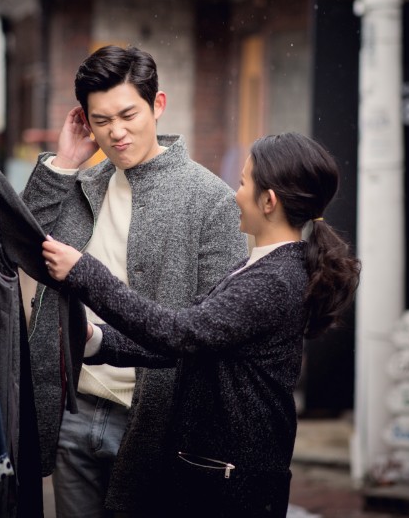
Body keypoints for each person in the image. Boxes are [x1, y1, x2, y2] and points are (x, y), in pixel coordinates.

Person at [41, 132, 362, 517]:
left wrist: (84, 272)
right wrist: (96, 340)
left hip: (232, 484)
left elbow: (180, 333)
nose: (234, 194)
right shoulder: (265, 266)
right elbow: (195, 340)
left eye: (243, 183)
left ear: (269, 200)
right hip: (221, 474)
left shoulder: (273, 280)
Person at [21, 45, 247, 517]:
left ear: (157, 105)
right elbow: (20, 246)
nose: (117, 132)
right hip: (74, 412)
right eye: (101, 120)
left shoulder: (211, 200)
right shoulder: (83, 183)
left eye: (129, 114)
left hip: (156, 423)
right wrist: (64, 162)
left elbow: (213, 331)